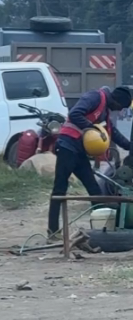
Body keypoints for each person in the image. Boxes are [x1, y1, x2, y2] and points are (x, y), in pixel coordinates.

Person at [47, 84, 132, 239]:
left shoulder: (105, 112)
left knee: (94, 189)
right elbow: (74, 114)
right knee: (60, 189)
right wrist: (92, 129)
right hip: (67, 146)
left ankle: (102, 229)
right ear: (116, 100)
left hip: (79, 152)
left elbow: (114, 134)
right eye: (120, 107)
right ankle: (52, 231)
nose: (118, 110)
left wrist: (129, 146)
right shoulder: (95, 97)